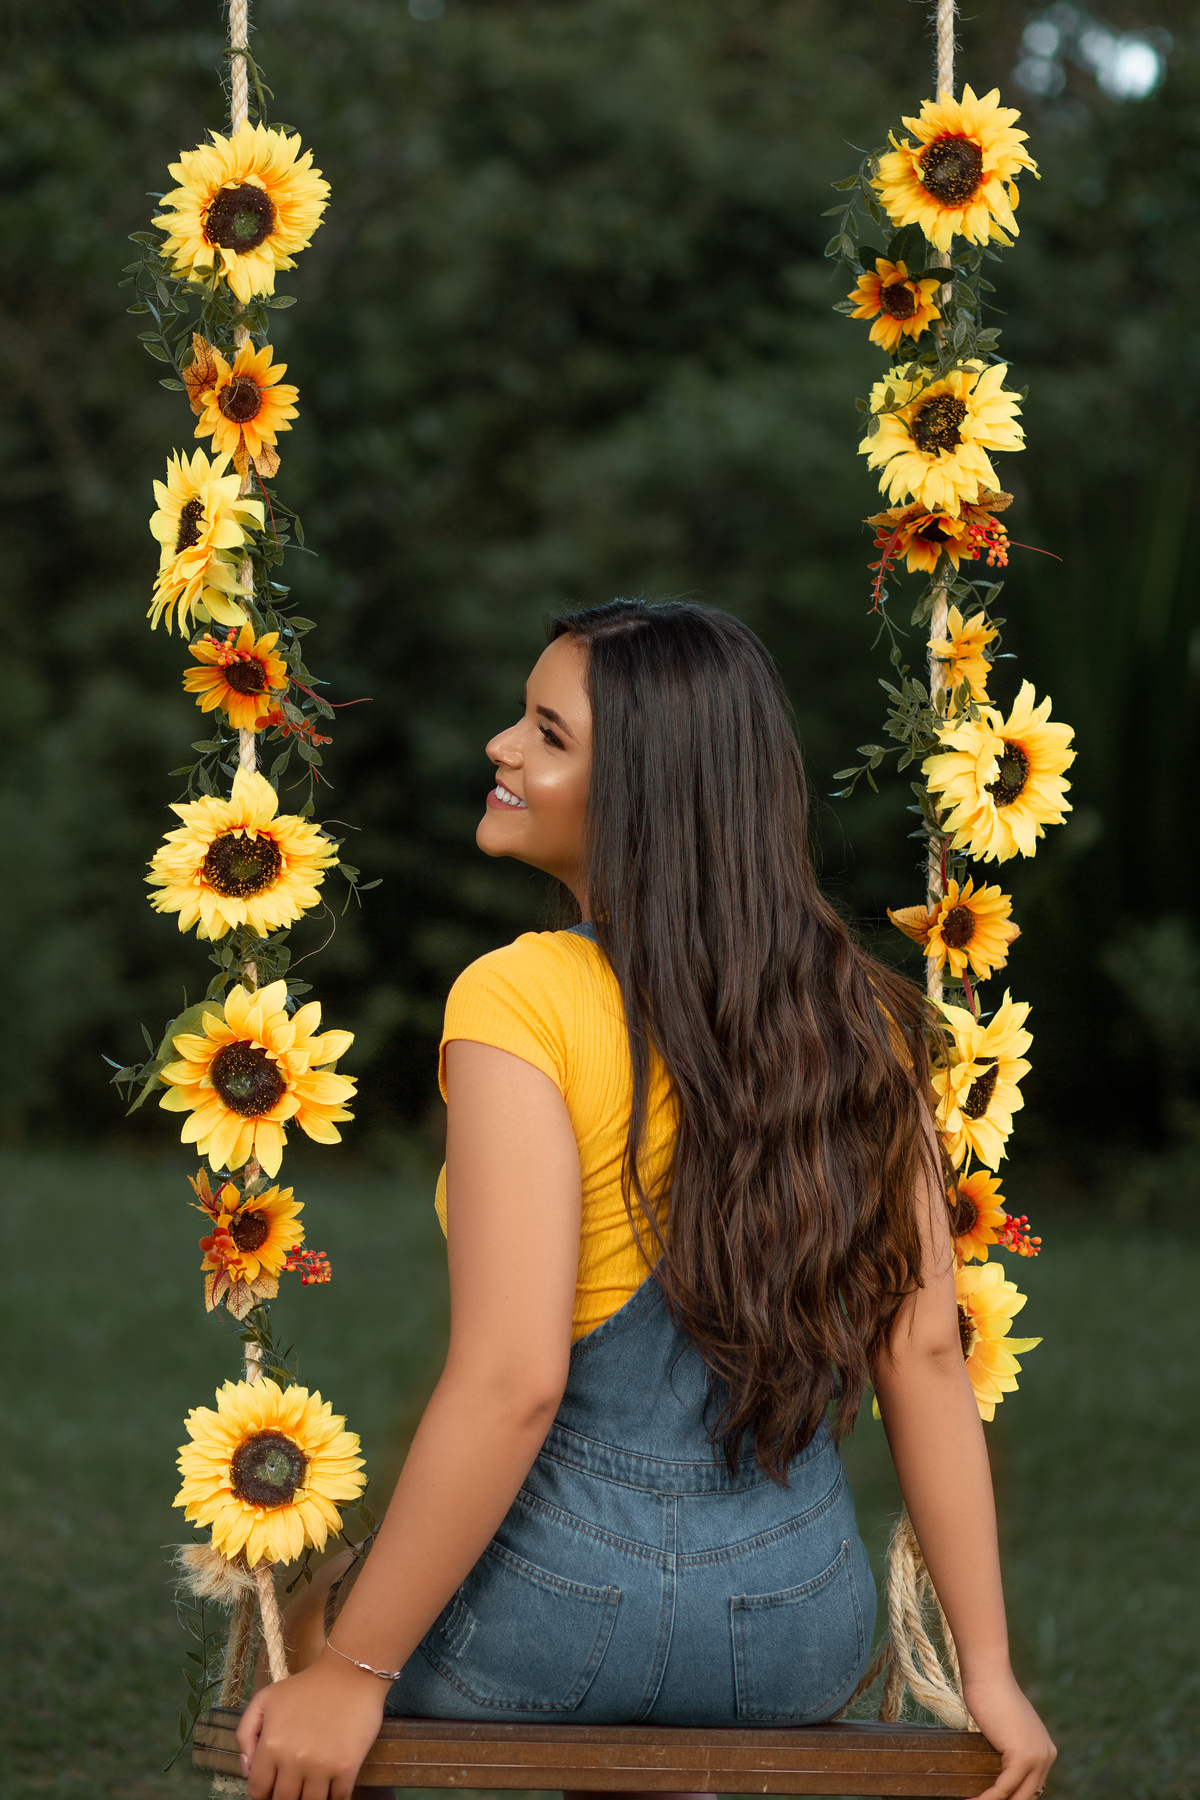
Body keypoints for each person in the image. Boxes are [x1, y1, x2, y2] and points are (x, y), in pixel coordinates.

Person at [237, 600, 1056, 1800]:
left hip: (553, 1604)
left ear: (646, 796)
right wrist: (987, 1669)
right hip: (793, 1630)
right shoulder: (862, 1019)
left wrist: (352, 1669)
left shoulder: (520, 998)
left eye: (547, 734)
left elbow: (515, 1382)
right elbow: (927, 1352)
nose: (501, 750)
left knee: (299, 1648)